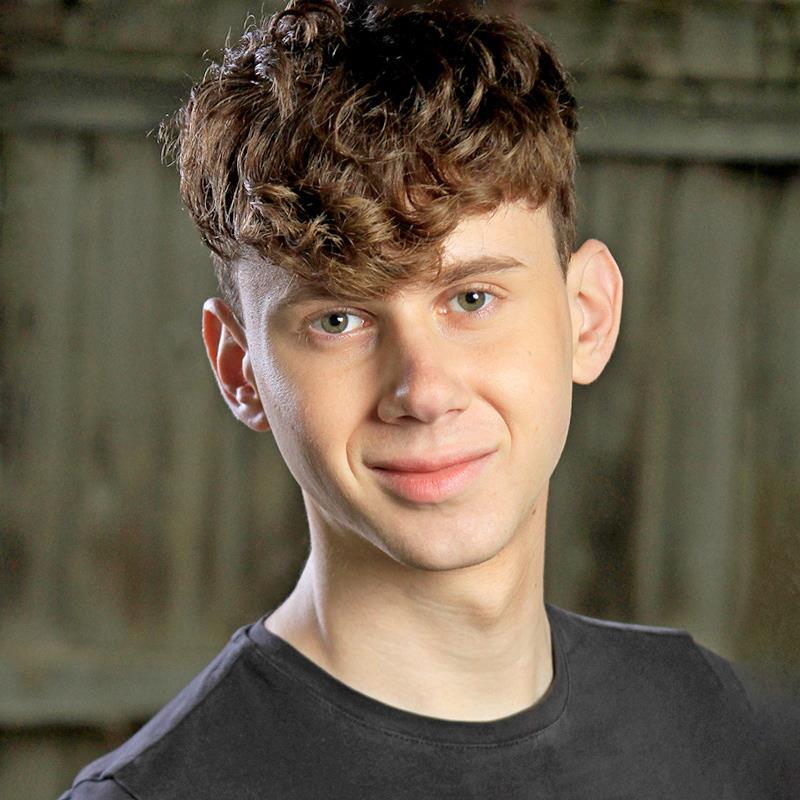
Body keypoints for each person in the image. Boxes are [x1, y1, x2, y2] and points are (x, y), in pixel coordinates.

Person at [59, 0, 797, 797]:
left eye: (472, 299)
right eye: (338, 320)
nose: (423, 391)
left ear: (587, 316)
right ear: (241, 369)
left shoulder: (714, 726)